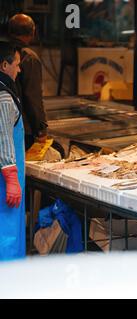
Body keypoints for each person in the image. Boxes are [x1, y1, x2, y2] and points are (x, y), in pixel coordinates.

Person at [0, 41, 26, 261]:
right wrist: (11, 179)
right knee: (7, 233)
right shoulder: (4, 97)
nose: (19, 69)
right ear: (4, 66)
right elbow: (4, 137)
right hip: (3, 182)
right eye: (16, 64)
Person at [8, 14, 48, 150]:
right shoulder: (28, 57)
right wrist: (40, 129)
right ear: (33, 32)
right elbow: (33, 97)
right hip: (21, 128)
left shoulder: (3, 51)